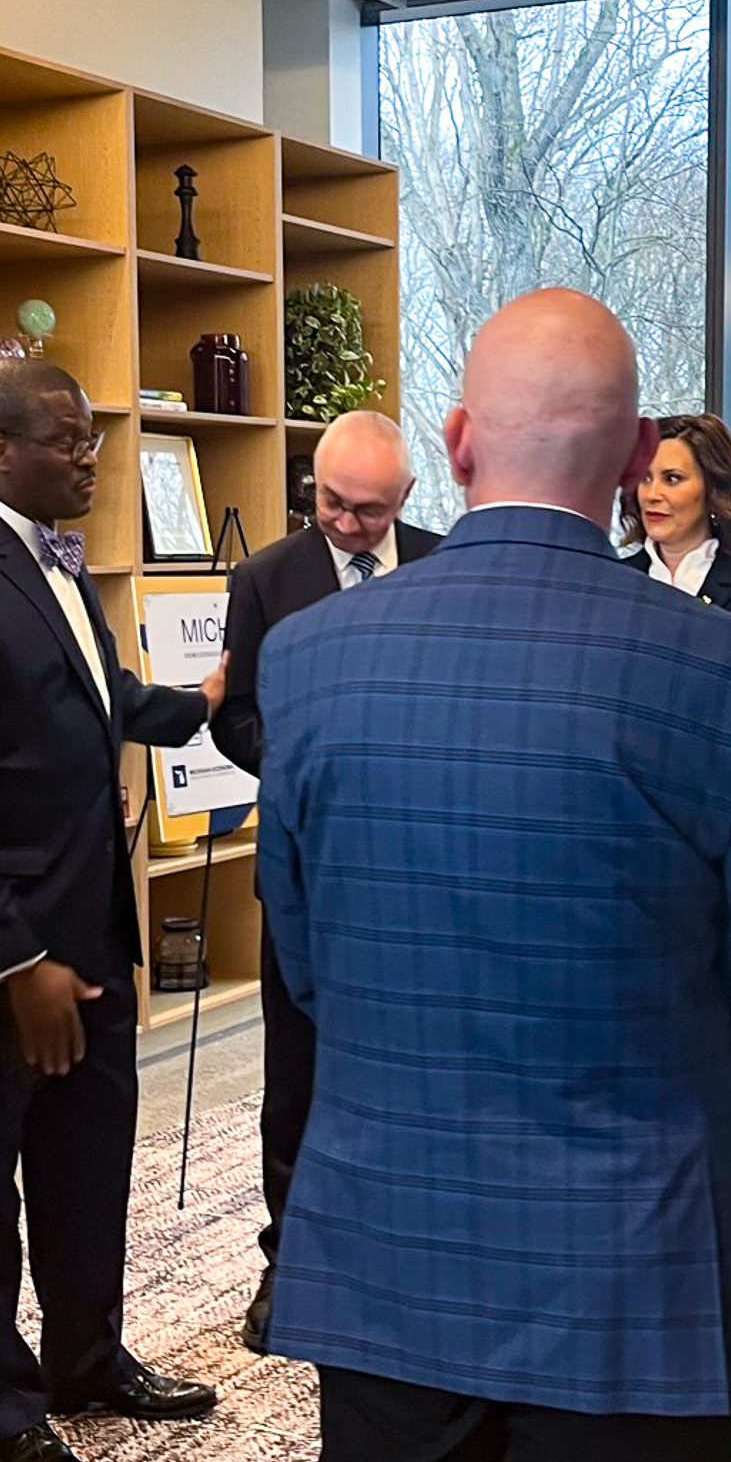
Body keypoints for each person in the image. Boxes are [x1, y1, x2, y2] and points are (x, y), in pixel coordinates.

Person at [247, 289, 731, 1462]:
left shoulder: (311, 662)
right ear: (637, 453)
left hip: (388, 1241)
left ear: (452, 444)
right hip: (635, 1260)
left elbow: (301, 965)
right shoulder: (722, 673)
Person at [0, 361, 226, 1462]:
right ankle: (4, 1408)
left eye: (91, 439)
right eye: (67, 440)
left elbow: (101, 697)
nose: (89, 456)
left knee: (85, 1163)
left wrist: (207, 699)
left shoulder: (60, 567)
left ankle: (87, 1360)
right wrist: (15, 962)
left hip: (85, 937)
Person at [208, 409, 440, 1352]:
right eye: (330, 503)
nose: (344, 525)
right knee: (297, 1075)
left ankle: (412, 1252)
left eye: (367, 511)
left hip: (425, 874)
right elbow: (237, 719)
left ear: (406, 501)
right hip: (308, 866)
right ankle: (290, 1263)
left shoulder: (445, 562)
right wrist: (320, 764)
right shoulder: (266, 579)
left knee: (418, 1069)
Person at [619, 411, 731, 668]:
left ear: (714, 489)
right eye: (645, 478)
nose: (652, 494)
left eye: (672, 478)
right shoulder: (614, 582)